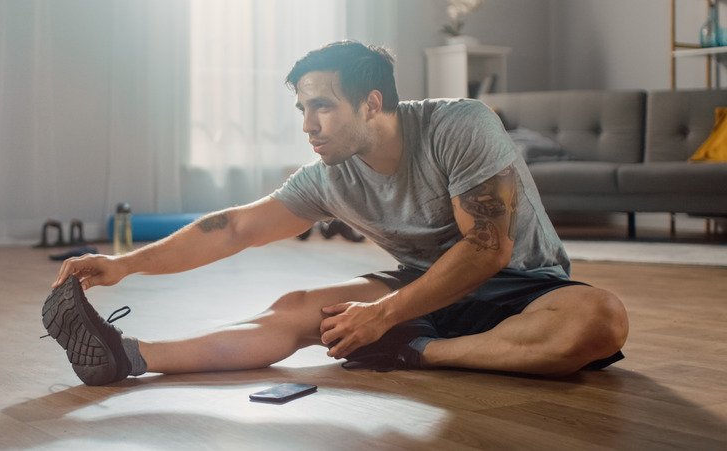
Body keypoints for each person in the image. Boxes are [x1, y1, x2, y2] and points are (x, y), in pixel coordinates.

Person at [44, 40, 628, 386]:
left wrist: (385, 319)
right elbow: (234, 229)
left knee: (598, 318)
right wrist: (125, 265)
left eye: (321, 106)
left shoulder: (460, 126)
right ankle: (132, 357)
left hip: (524, 288)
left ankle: (416, 352)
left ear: (372, 103)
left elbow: (488, 248)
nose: (307, 125)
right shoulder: (330, 175)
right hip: (424, 290)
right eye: (302, 108)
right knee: (296, 309)